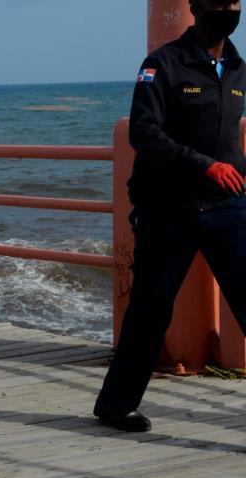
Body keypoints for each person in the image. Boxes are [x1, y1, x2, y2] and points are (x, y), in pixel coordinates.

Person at [94, 0, 246, 432]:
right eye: (219, 3)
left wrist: (234, 171)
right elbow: (143, 131)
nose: (229, 10)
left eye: (235, 3)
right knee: (150, 311)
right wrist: (203, 166)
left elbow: (231, 139)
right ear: (196, 8)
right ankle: (116, 404)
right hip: (168, 209)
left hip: (227, 207)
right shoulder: (163, 65)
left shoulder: (237, 67)